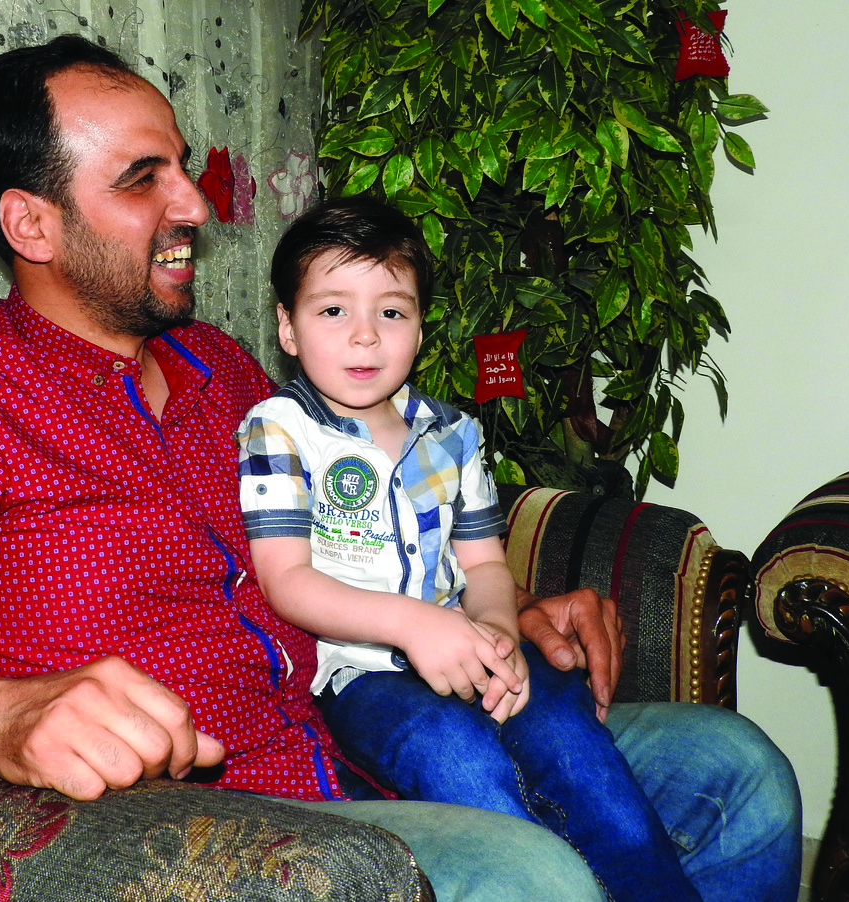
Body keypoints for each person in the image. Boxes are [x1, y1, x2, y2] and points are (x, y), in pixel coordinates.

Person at [0, 34, 801, 901]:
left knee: (735, 766)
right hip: (230, 829)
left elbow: (358, 528)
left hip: (377, 726)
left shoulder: (224, 369)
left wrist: (489, 613)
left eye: (183, 167)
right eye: (142, 179)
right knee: (526, 875)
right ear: (32, 223)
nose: (195, 206)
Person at [239, 196, 701, 902]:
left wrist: (497, 632)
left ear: (421, 327)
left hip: (473, 644)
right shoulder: (279, 429)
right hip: (363, 675)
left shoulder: (453, 435)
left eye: (391, 312)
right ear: (288, 328)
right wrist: (412, 624)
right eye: (333, 310)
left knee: (579, 751)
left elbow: (485, 563)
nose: (365, 336)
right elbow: (287, 580)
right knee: (456, 758)